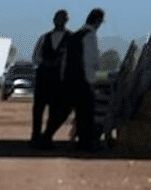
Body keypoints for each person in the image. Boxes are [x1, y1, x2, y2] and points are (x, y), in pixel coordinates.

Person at [44, 8, 104, 151]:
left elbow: (65, 60)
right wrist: (91, 81)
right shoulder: (89, 36)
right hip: (82, 81)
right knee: (86, 113)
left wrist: (63, 78)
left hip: (69, 80)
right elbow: (90, 60)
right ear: (98, 21)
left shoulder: (75, 35)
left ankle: (46, 137)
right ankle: (85, 144)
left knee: (62, 112)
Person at [30, 10, 71, 147]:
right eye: (57, 18)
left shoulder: (70, 38)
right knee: (38, 110)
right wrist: (45, 63)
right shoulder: (44, 37)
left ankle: (47, 137)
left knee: (54, 110)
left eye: (62, 19)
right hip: (43, 79)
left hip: (58, 80)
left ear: (66, 20)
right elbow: (35, 56)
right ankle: (35, 137)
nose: (59, 21)